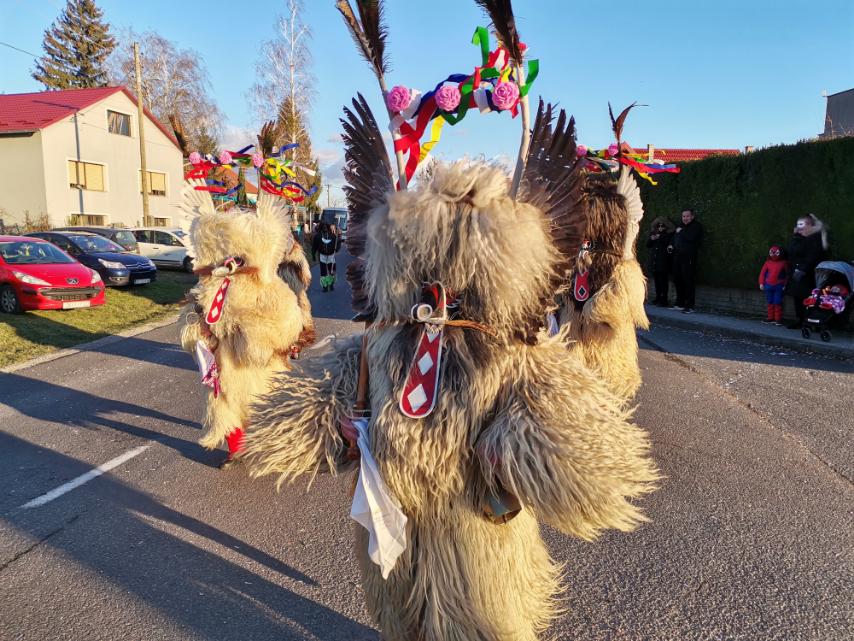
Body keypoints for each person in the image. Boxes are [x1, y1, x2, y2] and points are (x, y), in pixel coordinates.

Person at [785, 213, 828, 328]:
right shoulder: (800, 237)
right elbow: (791, 250)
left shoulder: (814, 238)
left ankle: (808, 321)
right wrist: (797, 237)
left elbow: (813, 255)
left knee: (807, 296)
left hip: (807, 272)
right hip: (796, 270)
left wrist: (802, 269)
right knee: (797, 297)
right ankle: (800, 319)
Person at [670, 208, 703, 313]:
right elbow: (674, 238)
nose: (685, 218)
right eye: (683, 216)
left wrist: (682, 232)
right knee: (677, 279)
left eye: (687, 216)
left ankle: (690, 306)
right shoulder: (680, 226)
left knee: (688, 281)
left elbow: (691, 238)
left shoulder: (696, 226)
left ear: (692, 216)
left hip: (688, 258)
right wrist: (671, 245)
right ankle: (680, 303)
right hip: (677, 257)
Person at [646, 216, 675, 306]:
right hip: (655, 261)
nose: (660, 228)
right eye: (659, 226)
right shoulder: (654, 234)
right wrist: (652, 239)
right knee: (657, 281)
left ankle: (664, 299)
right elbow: (648, 245)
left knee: (663, 281)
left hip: (664, 261)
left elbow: (668, 242)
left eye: (662, 226)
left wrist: (660, 237)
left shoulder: (668, 235)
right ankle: (658, 297)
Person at [758, 245, 787, 325]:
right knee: (770, 302)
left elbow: (787, 274)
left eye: (776, 253)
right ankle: (771, 318)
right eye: (772, 253)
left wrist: (785, 284)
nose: (773, 255)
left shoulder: (783, 263)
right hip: (768, 285)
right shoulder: (767, 263)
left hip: (779, 285)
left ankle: (778, 319)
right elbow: (762, 274)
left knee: (777, 302)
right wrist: (761, 283)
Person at [311, 221, 341, 292]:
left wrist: (337, 245)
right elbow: (314, 247)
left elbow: (337, 244)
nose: (324, 227)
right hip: (322, 256)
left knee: (332, 272)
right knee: (323, 272)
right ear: (321, 227)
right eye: (323, 226)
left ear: (328, 227)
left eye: (326, 226)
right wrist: (313, 256)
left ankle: (331, 285)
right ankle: (325, 286)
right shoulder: (317, 236)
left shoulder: (333, 236)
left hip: (331, 256)